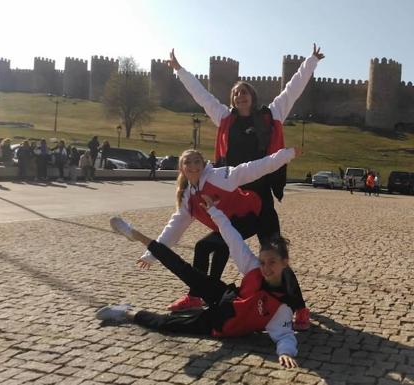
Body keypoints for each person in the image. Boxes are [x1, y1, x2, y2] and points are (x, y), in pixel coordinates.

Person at [167, 45, 323, 328]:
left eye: (245, 92)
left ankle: (299, 308)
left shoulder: (271, 116)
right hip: (235, 203)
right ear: (232, 99)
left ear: (253, 96)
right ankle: (197, 295)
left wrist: (310, 62)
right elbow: (202, 96)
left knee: (274, 253)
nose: (241, 96)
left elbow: (292, 89)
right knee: (209, 246)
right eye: (236, 93)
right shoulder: (225, 119)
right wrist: (180, 71)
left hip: (261, 202)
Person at [99, 195, 301, 368]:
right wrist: (214, 211)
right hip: (228, 296)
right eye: (263, 261)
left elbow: (284, 335)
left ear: (285, 263)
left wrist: (286, 352)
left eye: (272, 263)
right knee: (186, 271)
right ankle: (136, 235)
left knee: (167, 324)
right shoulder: (254, 267)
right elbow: (233, 238)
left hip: (222, 322)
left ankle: (127, 312)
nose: (265, 268)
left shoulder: (282, 304)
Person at [137, 147, 304, 315]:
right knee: (205, 246)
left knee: (276, 258)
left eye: (197, 161)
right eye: (188, 162)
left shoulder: (218, 177)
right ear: (181, 168)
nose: (193, 166)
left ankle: (300, 308)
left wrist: (286, 155)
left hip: (259, 215)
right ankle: (197, 296)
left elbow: (251, 168)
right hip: (230, 224)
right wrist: (152, 253)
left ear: (203, 165)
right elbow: (174, 227)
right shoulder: (187, 196)